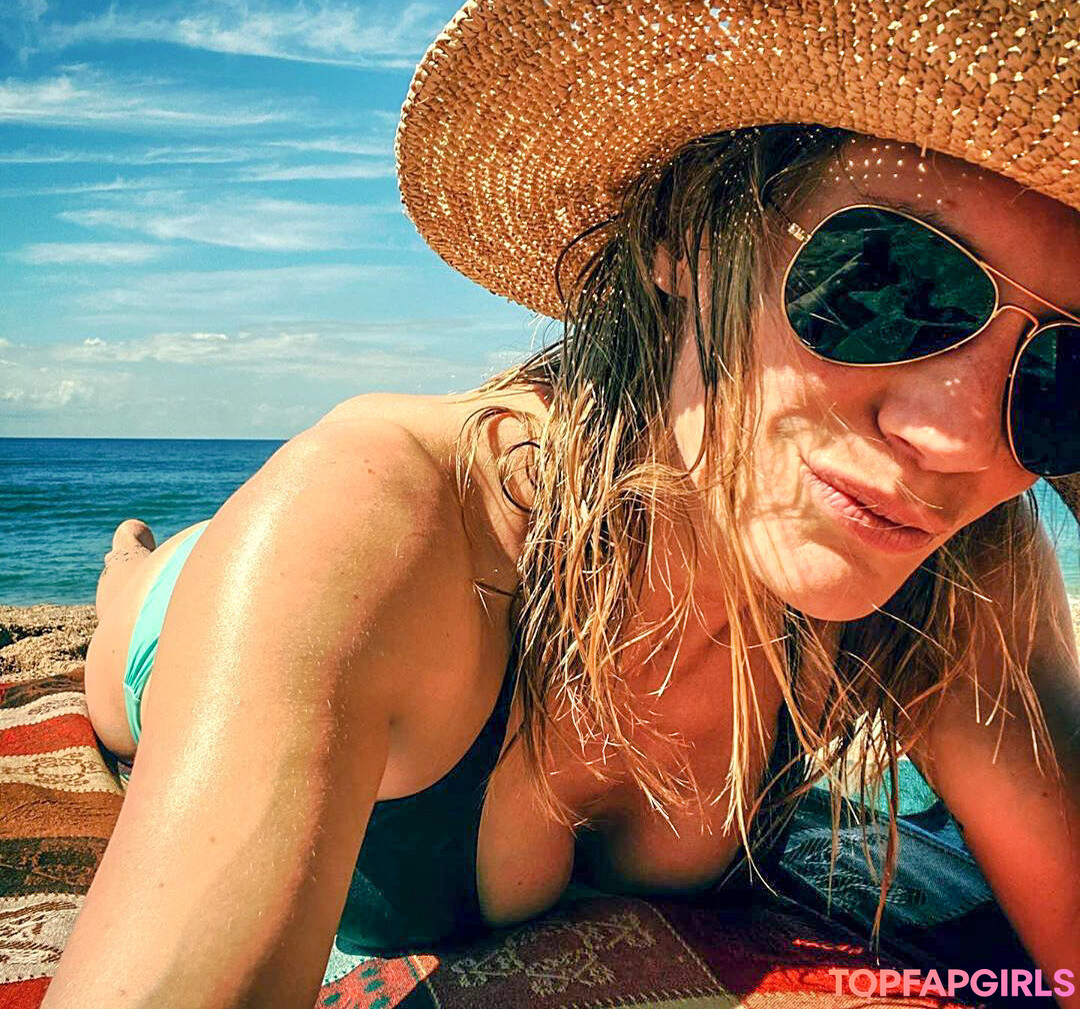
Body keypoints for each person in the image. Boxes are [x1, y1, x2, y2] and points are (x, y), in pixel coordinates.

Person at [47, 1, 1080, 1007]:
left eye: (1060, 372)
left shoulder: (961, 563)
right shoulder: (371, 517)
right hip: (209, 609)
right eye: (889, 283)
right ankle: (132, 568)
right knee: (150, 604)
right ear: (687, 231)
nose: (958, 439)